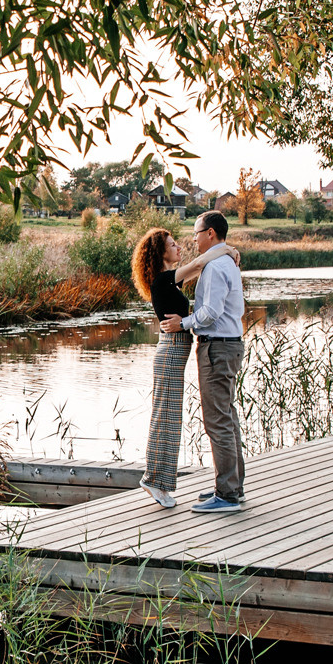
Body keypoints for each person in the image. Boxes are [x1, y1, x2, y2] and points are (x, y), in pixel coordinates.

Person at [166, 209, 245, 512]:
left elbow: (210, 311)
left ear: (210, 233)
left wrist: (182, 323)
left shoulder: (214, 267)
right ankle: (232, 488)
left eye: (197, 232)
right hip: (229, 345)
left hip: (217, 349)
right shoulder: (225, 262)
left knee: (217, 421)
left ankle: (226, 495)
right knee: (228, 417)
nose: (194, 237)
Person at [130, 227, 192, 508]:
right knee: (164, 418)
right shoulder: (163, 279)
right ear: (161, 252)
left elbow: (198, 270)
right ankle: (153, 479)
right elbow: (200, 264)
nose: (179, 248)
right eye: (173, 244)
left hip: (173, 353)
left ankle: (160, 482)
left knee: (170, 418)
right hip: (170, 354)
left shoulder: (170, 282)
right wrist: (226, 250)